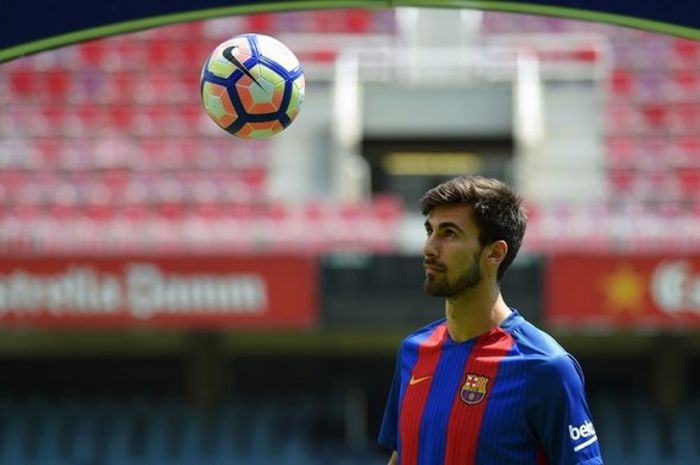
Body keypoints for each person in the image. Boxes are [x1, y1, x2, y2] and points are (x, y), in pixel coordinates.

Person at [378, 175, 603, 465]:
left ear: (495, 253)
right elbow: (403, 454)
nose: (429, 248)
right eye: (429, 230)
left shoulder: (544, 366)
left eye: (449, 233)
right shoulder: (413, 350)